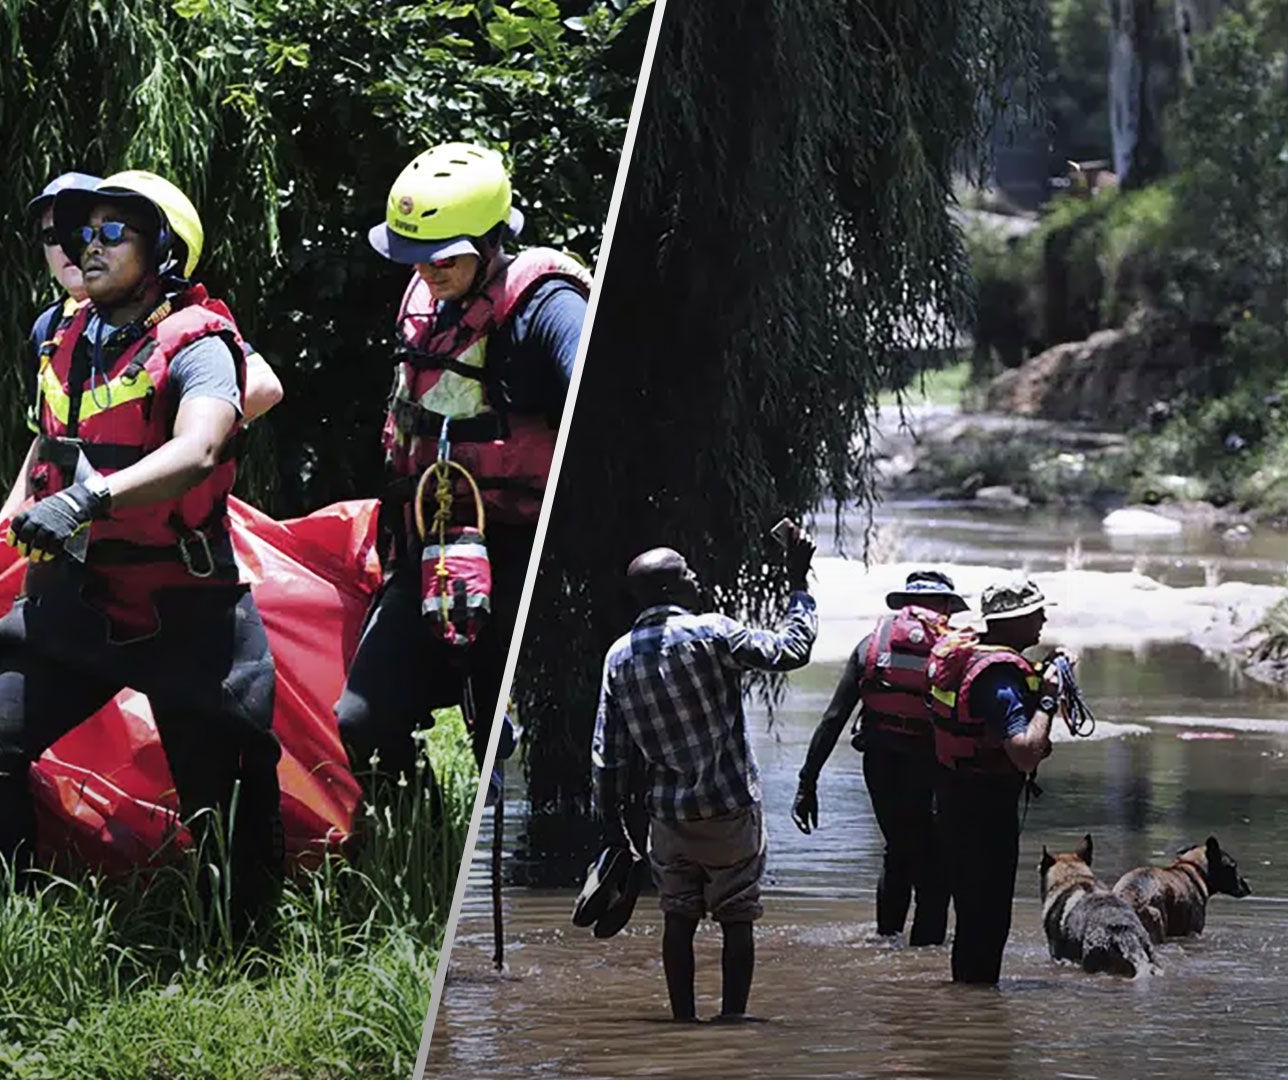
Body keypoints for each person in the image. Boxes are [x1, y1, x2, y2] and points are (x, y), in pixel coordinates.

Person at [0, 171, 287, 934]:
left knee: (223, 795)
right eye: (82, 232)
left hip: (183, 607)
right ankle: (14, 916)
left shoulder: (202, 343)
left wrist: (88, 500)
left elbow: (199, 447)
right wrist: (10, 525)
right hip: (77, 603)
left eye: (113, 232)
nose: (89, 245)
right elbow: (50, 444)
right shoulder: (60, 337)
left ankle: (245, 942)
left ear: (163, 251)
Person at [338, 142, 590, 782]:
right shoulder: (427, 299)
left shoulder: (549, 305)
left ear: (490, 240)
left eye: (444, 257)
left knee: (492, 738)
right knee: (360, 720)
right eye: (415, 256)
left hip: (519, 546)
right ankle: (413, 802)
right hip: (435, 538)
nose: (427, 271)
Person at [590, 535, 819, 1022]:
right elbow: (792, 650)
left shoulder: (618, 657)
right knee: (737, 916)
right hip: (730, 807)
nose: (697, 578)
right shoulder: (713, 632)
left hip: (669, 816)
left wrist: (613, 830)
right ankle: (733, 1022)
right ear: (670, 587)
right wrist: (798, 581)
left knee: (677, 915)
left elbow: (608, 757)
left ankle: (683, 1023)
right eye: (688, 573)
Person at [793, 569, 968, 944]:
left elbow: (834, 718)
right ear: (944, 606)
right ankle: (922, 964)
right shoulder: (956, 651)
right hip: (933, 765)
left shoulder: (871, 645)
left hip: (881, 764)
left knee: (898, 849)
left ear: (906, 604)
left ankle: (886, 944)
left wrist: (807, 783)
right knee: (934, 870)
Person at [927, 579, 1062, 984]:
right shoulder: (1000, 677)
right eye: (1036, 613)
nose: (1043, 619)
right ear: (1013, 620)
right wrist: (1049, 698)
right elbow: (1024, 753)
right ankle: (978, 1006)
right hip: (984, 809)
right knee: (988, 918)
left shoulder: (973, 655)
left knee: (972, 915)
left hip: (955, 796)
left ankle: (965, 1002)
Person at [0, 170, 101, 528]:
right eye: (53, 237)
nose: (66, 247)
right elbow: (46, 439)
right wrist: (1, 528)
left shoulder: (154, 311)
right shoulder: (49, 327)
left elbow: (254, 384)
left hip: (130, 519)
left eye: (79, 231)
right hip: (61, 525)